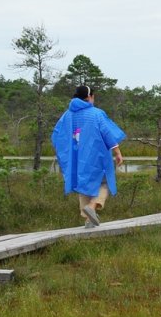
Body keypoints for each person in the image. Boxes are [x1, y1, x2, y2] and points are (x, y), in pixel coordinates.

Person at [50, 85, 125, 228]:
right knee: (104, 183)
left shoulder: (67, 115)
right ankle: (92, 205)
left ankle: (89, 221)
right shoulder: (96, 114)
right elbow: (107, 133)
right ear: (90, 97)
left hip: (77, 158)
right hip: (97, 156)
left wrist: (68, 152)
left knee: (83, 184)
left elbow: (57, 135)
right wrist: (117, 152)